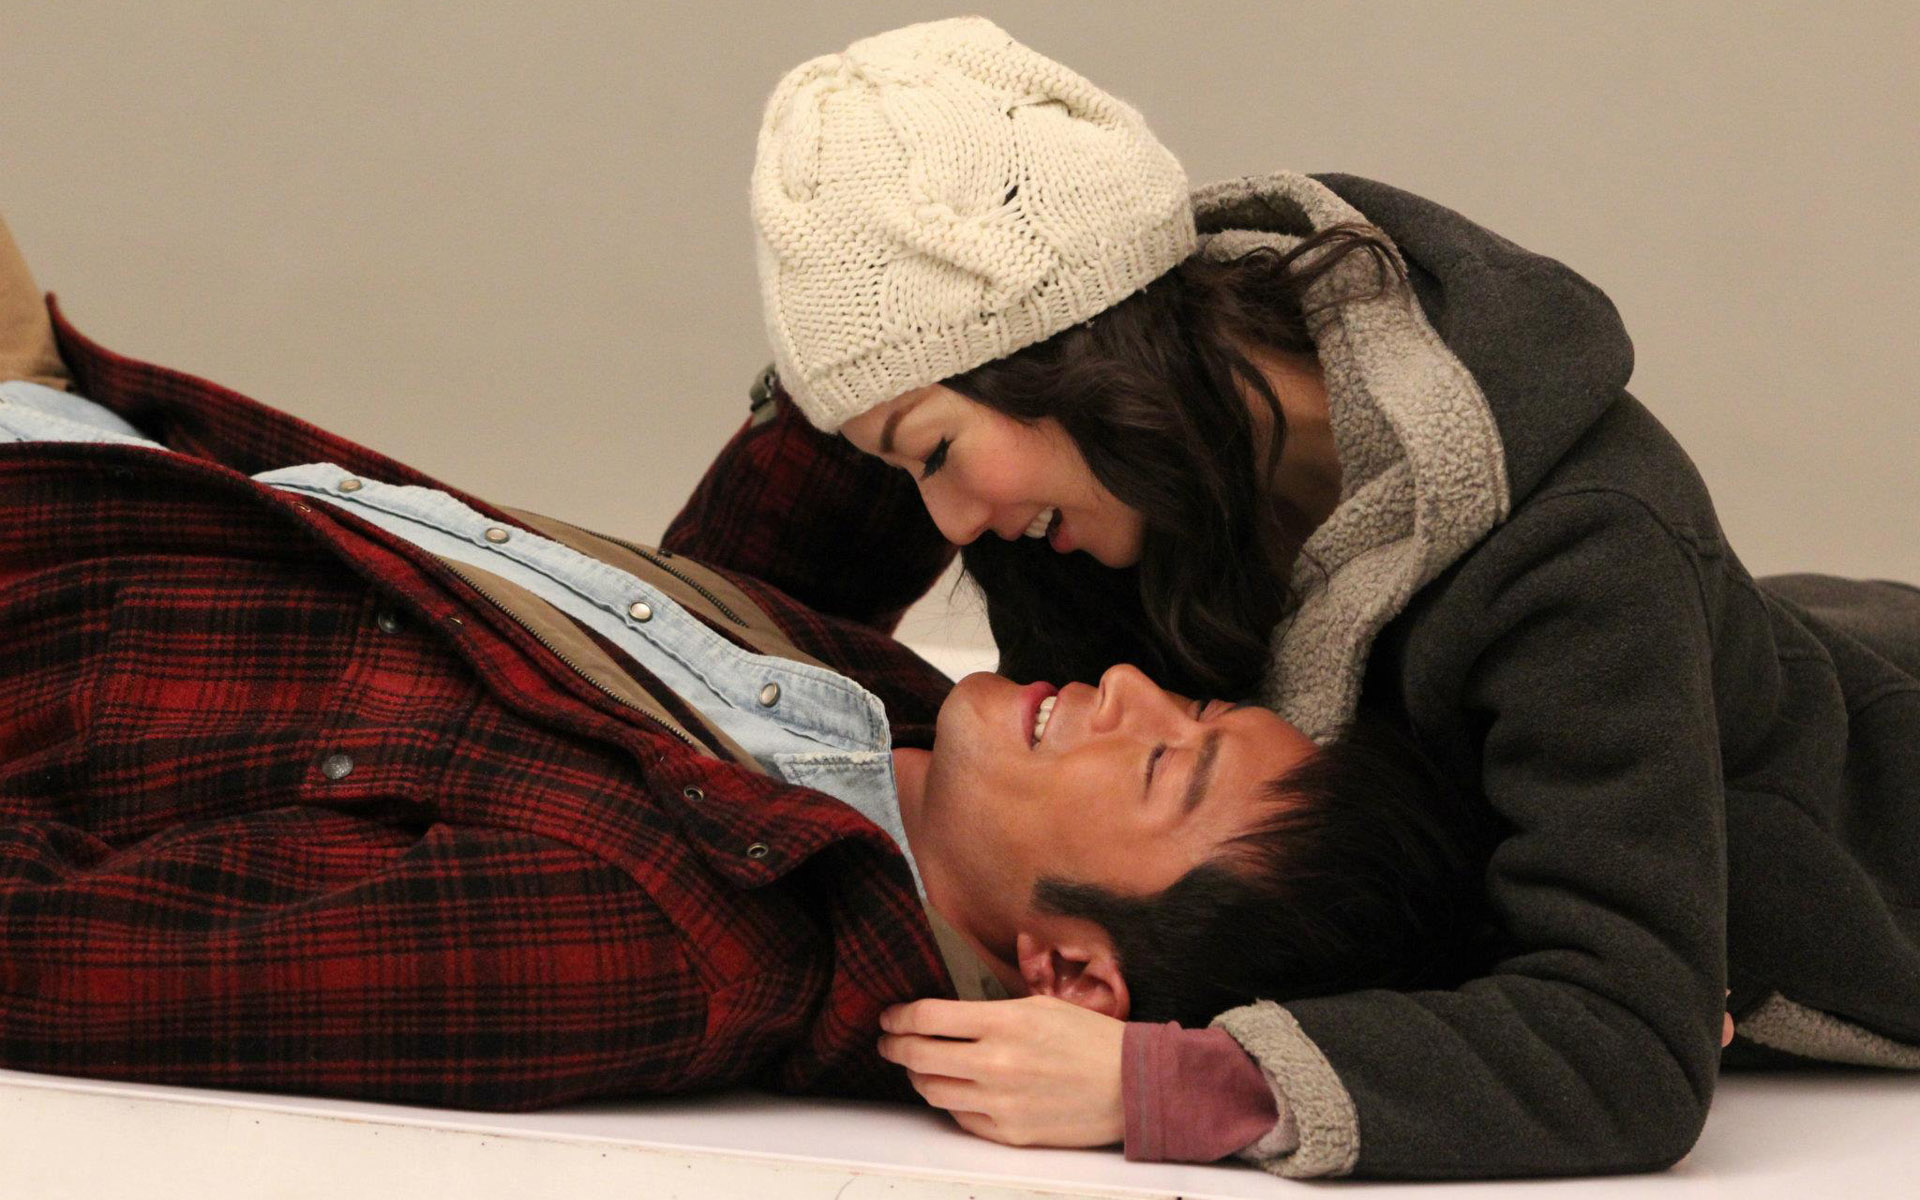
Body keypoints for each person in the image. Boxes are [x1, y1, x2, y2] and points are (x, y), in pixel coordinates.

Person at [0, 213, 1493, 1150]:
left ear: (1074, 977)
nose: (1128, 689)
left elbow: (73, 963)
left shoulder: (662, 947)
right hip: (86, 425)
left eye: (1166, 763)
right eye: (1197, 705)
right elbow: (708, 581)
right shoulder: (879, 733)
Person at [746, 16, 1920, 1181]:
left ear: (1073, 359)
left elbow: (1628, 1051)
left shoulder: (1585, 544)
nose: (949, 523)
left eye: (935, 451)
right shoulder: (1083, 501)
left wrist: (1167, 1084)